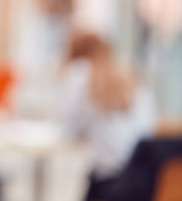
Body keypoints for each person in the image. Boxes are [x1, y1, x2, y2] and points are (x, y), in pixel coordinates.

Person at [59, 31, 156, 201]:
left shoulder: (81, 71)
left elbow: (68, 130)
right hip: (144, 181)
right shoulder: (130, 77)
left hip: (109, 185)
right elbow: (149, 127)